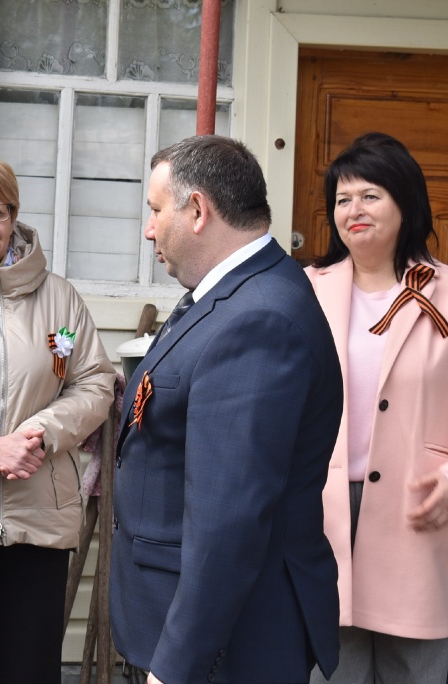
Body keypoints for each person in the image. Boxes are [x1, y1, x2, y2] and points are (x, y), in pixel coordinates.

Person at [110, 135, 343, 684]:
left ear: (197, 211)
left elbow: (228, 521)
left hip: (221, 647)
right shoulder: (233, 293)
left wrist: (175, 668)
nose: (149, 229)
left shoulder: (256, 318)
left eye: (155, 210)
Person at [306, 132, 448, 684]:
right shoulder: (305, 291)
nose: (353, 210)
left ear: (405, 201)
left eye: (370, 195)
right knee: (329, 668)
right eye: (342, 199)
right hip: (324, 508)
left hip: (421, 505)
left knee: (413, 671)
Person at [0, 156, 116, 684]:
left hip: (40, 519)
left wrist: (40, 433)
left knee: (31, 672)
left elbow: (93, 382)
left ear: (14, 215)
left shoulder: (58, 299)